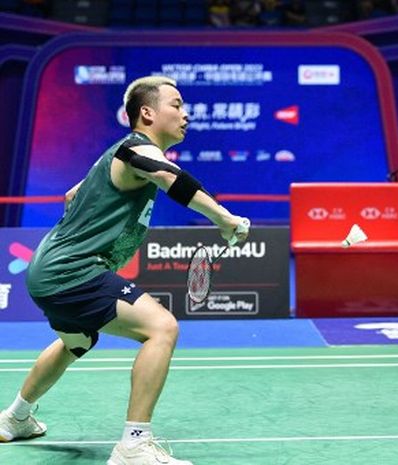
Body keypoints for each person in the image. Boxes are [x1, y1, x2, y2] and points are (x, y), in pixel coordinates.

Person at [0, 76, 249, 464]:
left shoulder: (119, 154)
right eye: (177, 104)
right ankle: (134, 444)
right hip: (73, 270)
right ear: (147, 113)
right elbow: (173, 179)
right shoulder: (136, 149)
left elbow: (71, 194)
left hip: (46, 271)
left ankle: (15, 418)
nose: (186, 114)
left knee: (76, 342)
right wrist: (224, 218)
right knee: (162, 328)